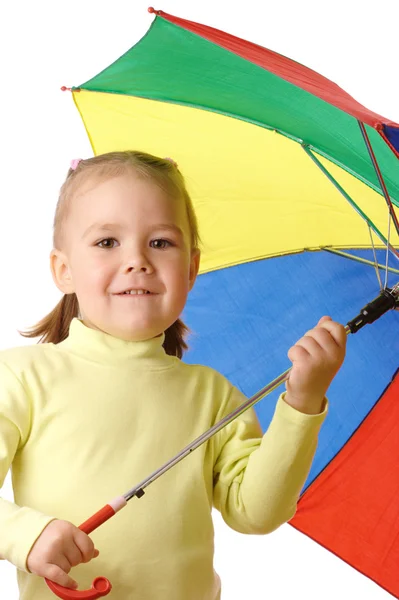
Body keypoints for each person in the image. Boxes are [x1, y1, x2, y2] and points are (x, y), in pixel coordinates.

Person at [0, 150, 346, 600]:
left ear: (191, 269)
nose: (137, 260)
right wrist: (26, 535)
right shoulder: (24, 377)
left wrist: (302, 404)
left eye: (160, 243)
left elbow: (256, 513)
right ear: (63, 270)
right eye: (107, 242)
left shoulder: (212, 395)